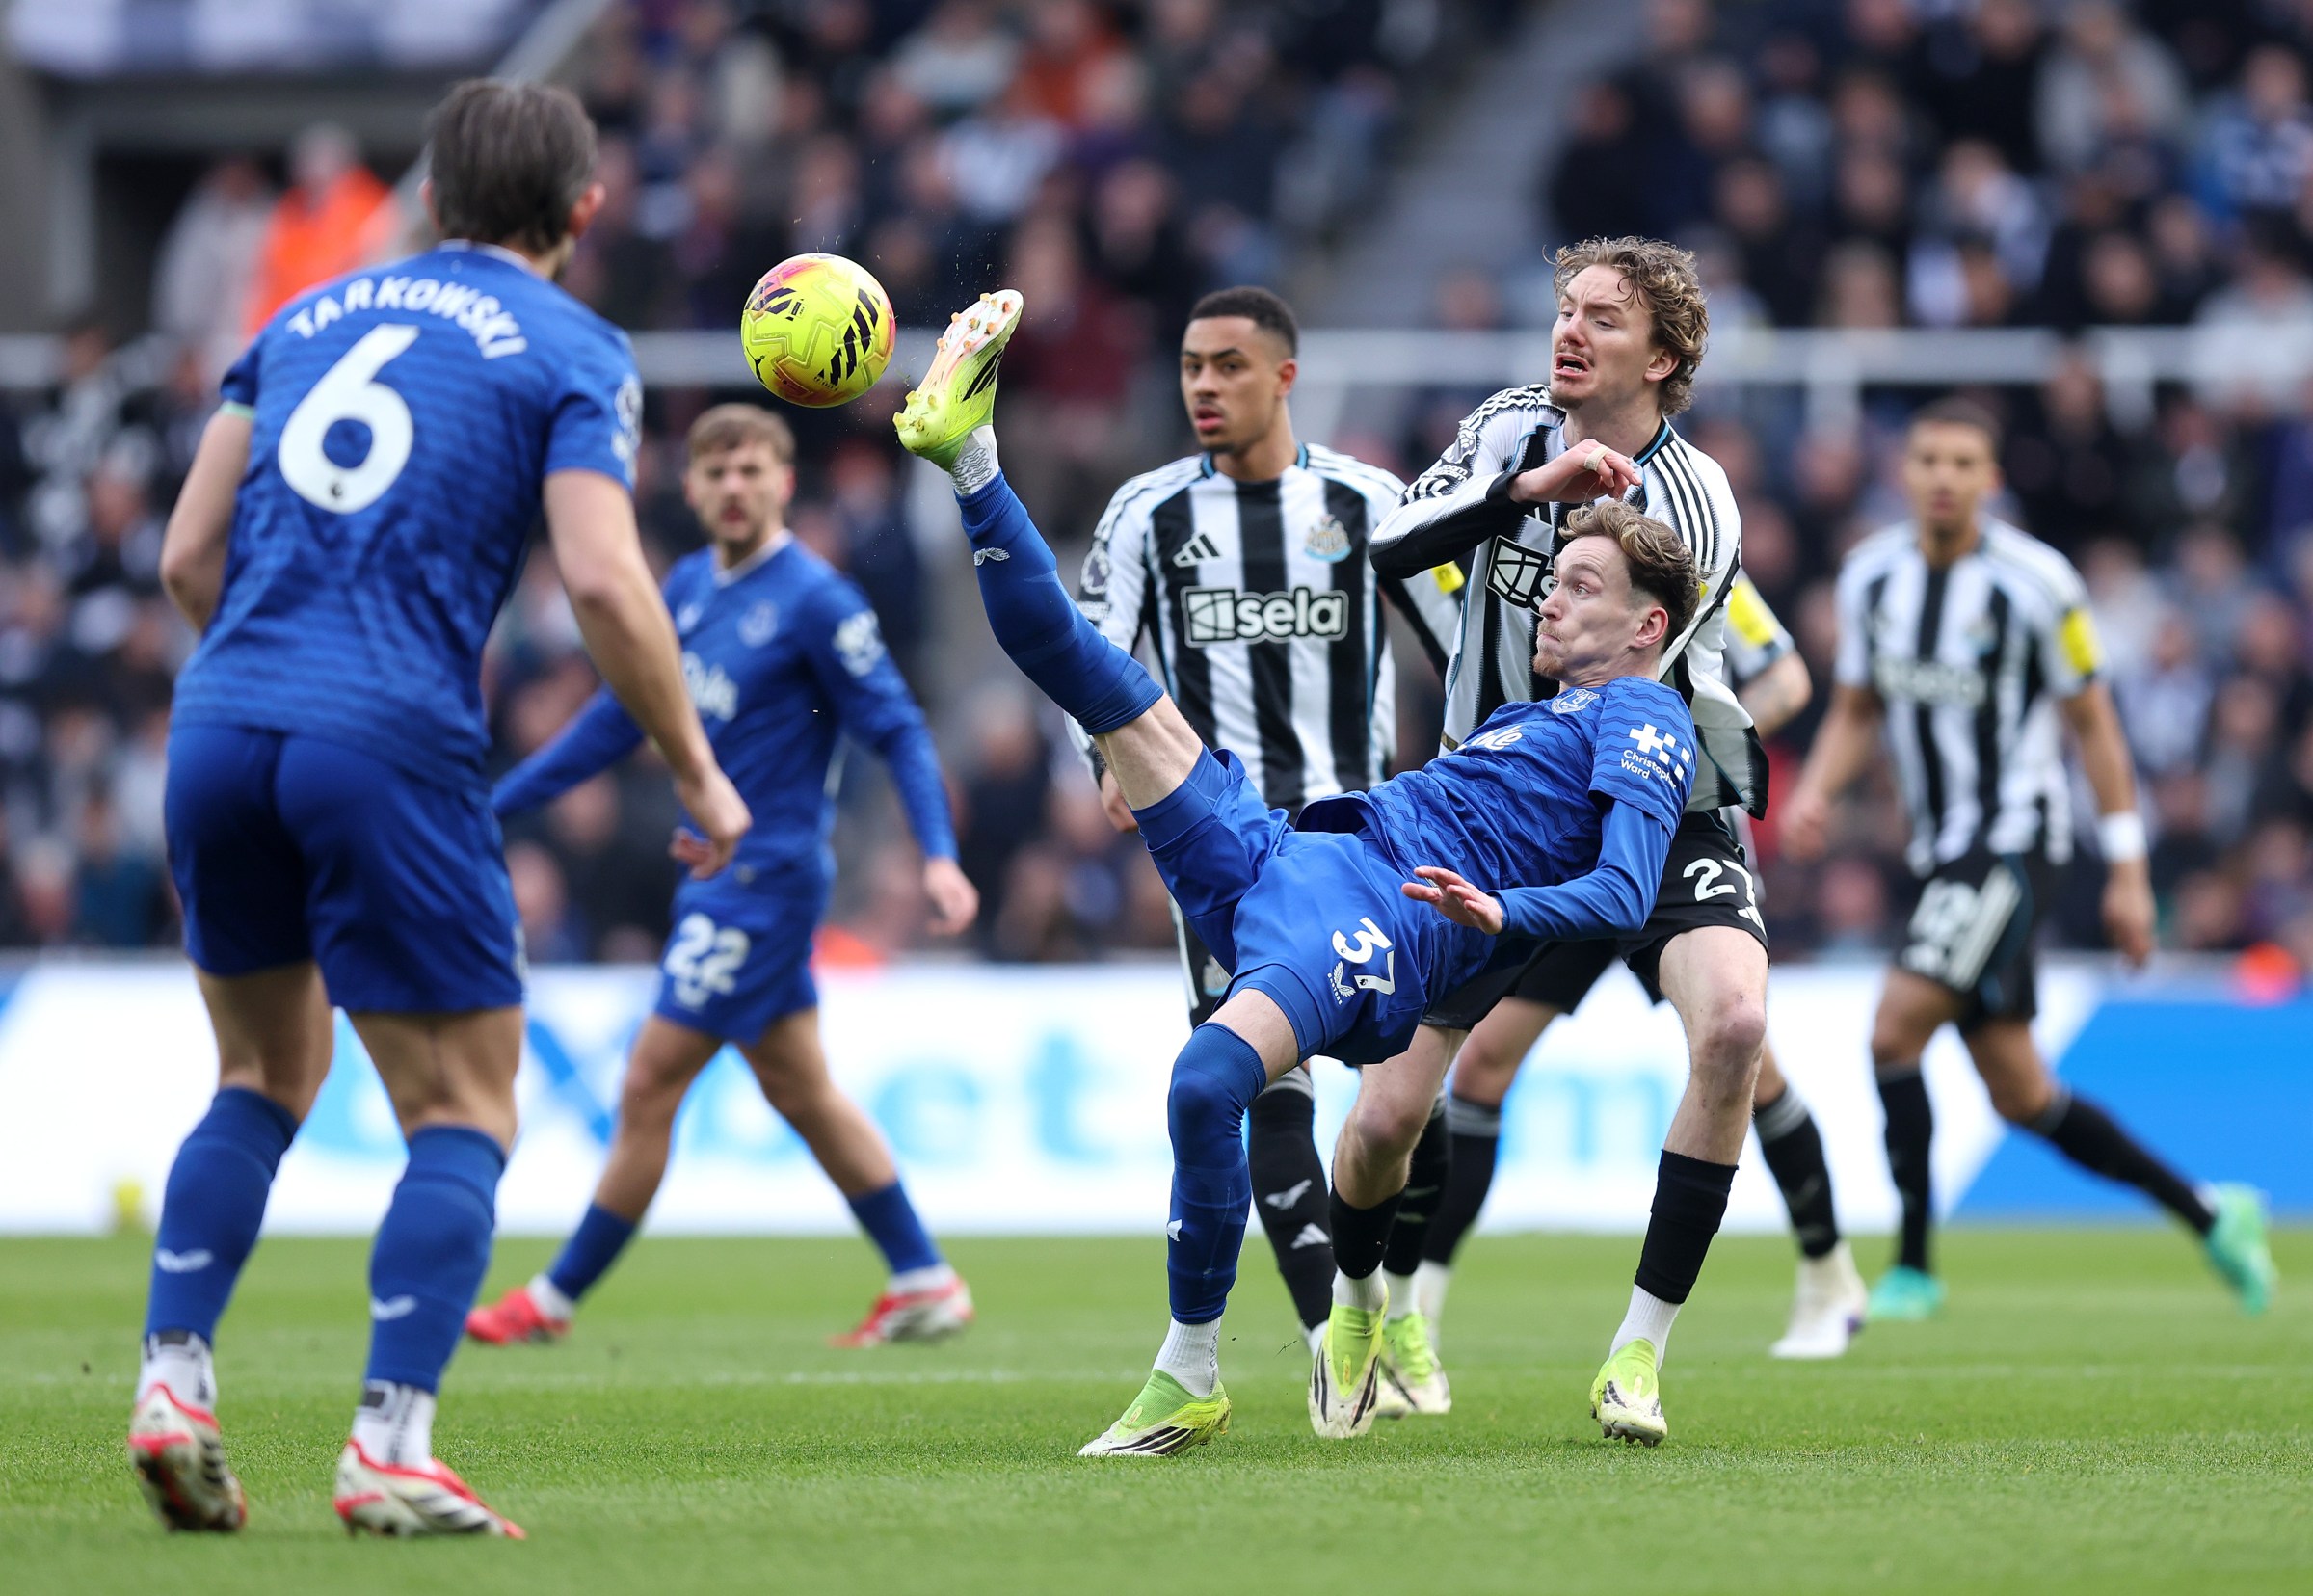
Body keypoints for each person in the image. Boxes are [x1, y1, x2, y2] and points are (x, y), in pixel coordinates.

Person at [891, 288, 1701, 1456]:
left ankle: (1192, 1371)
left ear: (1646, 625)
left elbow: (1625, 894)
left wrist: (1499, 910)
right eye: (1558, 578)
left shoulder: (1642, 719)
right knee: (1080, 671)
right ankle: (970, 460)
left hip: (1372, 918)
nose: (1551, 598)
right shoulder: (1539, 713)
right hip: (1300, 847)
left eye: (1582, 587)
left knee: (1204, 1082)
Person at [128, 80, 750, 1539]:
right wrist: (695, 764)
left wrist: (273, 672)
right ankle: (390, 1448)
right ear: (586, 212)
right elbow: (602, 577)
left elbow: (182, 554)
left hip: (220, 722)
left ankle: (172, 1382)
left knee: (259, 1080)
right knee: (464, 1105)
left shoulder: (303, 318)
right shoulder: (571, 346)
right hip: (386, 730)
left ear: (429, 199)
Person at [465, 404, 980, 1351]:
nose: (734, 487)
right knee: (802, 1090)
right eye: (716, 472)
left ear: (784, 483)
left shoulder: (818, 599)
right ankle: (923, 1275)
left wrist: (938, 853)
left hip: (769, 878)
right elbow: (616, 721)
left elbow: (899, 727)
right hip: (718, 878)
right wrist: (491, 806)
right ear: (692, 487)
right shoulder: (691, 586)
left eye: (752, 470)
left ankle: (554, 1298)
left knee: (651, 1079)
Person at [1365, 236, 1768, 1445]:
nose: (1571, 330)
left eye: (1605, 316)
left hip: (1653, 793)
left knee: (1738, 1028)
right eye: (1566, 308)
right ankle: (1386, 1309)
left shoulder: (1694, 500)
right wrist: (1519, 498)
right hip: (1497, 805)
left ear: (1668, 357)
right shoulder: (1503, 429)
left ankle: (1636, 1360)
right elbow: (1383, 549)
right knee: (1391, 1117)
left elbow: (1638, 662)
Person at [1781, 398, 2276, 1320]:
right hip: (1939, 850)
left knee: (1893, 1031)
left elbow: (2095, 727)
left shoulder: (2039, 583)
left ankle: (1915, 1266)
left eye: (1963, 462)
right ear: (1906, 471)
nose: (1941, 476)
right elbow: (1857, 705)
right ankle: (2211, 1212)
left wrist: (2128, 872)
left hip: (2017, 840)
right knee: (2020, 1092)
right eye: (1927, 457)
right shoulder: (1869, 580)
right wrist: (1817, 789)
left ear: (1991, 481)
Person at [1069, 284, 1462, 1416]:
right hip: (1225, 853)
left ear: (1284, 378)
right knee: (1263, 1092)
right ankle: (1339, 1346)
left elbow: (1459, 645)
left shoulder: (1368, 500)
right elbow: (1090, 657)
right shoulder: (1147, 514)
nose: (1203, 384)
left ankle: (1395, 1309)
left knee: (1400, 1109)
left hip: (1363, 843)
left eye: (1229, 365)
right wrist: (1106, 757)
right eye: (1192, 364)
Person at [1414, 575, 1871, 1360]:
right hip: (1561, 842)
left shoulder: (1685, 557)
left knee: (1745, 1060)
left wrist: (1662, 749)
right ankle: (1418, 1310)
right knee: (1484, 1062)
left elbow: (1787, 677)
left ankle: (1830, 1272)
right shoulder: (1542, 558)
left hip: (1667, 835)